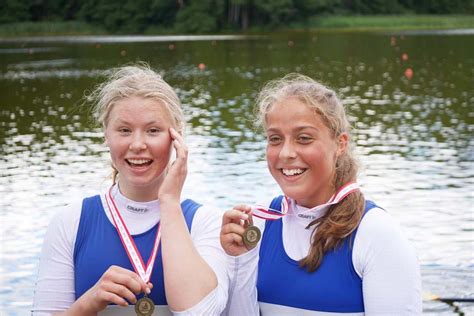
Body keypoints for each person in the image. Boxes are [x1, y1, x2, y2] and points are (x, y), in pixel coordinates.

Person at [32, 64, 229, 315]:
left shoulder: (206, 223)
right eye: (124, 130)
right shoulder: (70, 222)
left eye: (153, 131)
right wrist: (88, 303)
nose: (137, 145)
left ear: (176, 136)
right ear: (106, 135)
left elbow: (200, 313)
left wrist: (168, 200)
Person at [220, 74, 422, 315]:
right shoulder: (259, 223)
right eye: (275, 139)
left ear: (340, 144)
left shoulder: (377, 233)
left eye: (303, 138)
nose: (285, 153)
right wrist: (238, 261)